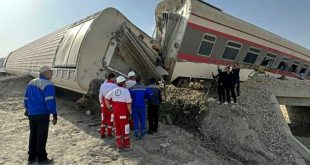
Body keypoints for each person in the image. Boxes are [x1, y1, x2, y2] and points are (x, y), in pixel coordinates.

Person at [24, 66, 57, 164]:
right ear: (46, 73)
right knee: (42, 136)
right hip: (42, 113)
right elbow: (50, 100)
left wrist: (27, 109)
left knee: (33, 135)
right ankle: (42, 158)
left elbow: (26, 98)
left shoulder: (32, 82)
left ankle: (31, 157)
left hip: (32, 113)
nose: (52, 74)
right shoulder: (48, 84)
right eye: (51, 72)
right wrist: (54, 113)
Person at [105, 76, 132, 152]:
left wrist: (109, 108)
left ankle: (119, 146)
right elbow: (128, 104)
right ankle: (126, 146)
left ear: (117, 83)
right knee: (125, 130)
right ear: (123, 83)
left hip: (115, 115)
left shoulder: (113, 90)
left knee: (118, 130)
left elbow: (106, 99)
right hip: (123, 115)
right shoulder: (126, 91)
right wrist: (130, 112)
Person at [99, 73, 117, 138]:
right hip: (111, 104)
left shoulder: (103, 85)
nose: (115, 79)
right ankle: (109, 134)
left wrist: (101, 103)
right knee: (110, 119)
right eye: (114, 78)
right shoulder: (115, 86)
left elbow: (100, 95)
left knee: (104, 118)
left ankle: (102, 133)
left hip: (103, 103)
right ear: (112, 78)